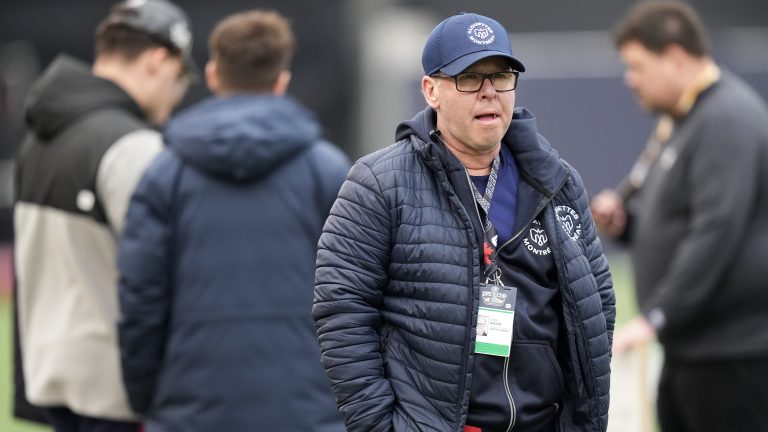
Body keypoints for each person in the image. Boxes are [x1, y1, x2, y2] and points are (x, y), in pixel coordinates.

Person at [313, 12, 615, 432]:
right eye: (470, 78)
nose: (489, 92)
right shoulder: (378, 184)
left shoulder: (557, 181)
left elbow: (597, 303)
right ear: (431, 90)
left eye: (501, 75)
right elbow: (343, 312)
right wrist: (381, 425)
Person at [116, 10, 348, 432]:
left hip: (188, 413)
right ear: (282, 80)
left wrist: (144, 398)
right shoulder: (328, 170)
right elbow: (360, 299)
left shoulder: (164, 174)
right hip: (311, 413)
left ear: (212, 74)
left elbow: (139, 302)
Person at [13, 0, 194, 430]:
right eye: (180, 75)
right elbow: (161, 276)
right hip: (116, 393)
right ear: (157, 60)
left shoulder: (37, 139)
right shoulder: (134, 147)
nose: (180, 91)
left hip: (52, 379)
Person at [590, 1, 768, 430]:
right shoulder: (685, 120)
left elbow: (716, 230)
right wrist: (627, 226)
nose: (631, 80)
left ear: (674, 56)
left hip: (732, 359)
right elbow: (678, 222)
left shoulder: (725, 119)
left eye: (637, 66)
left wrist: (656, 314)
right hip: (693, 352)